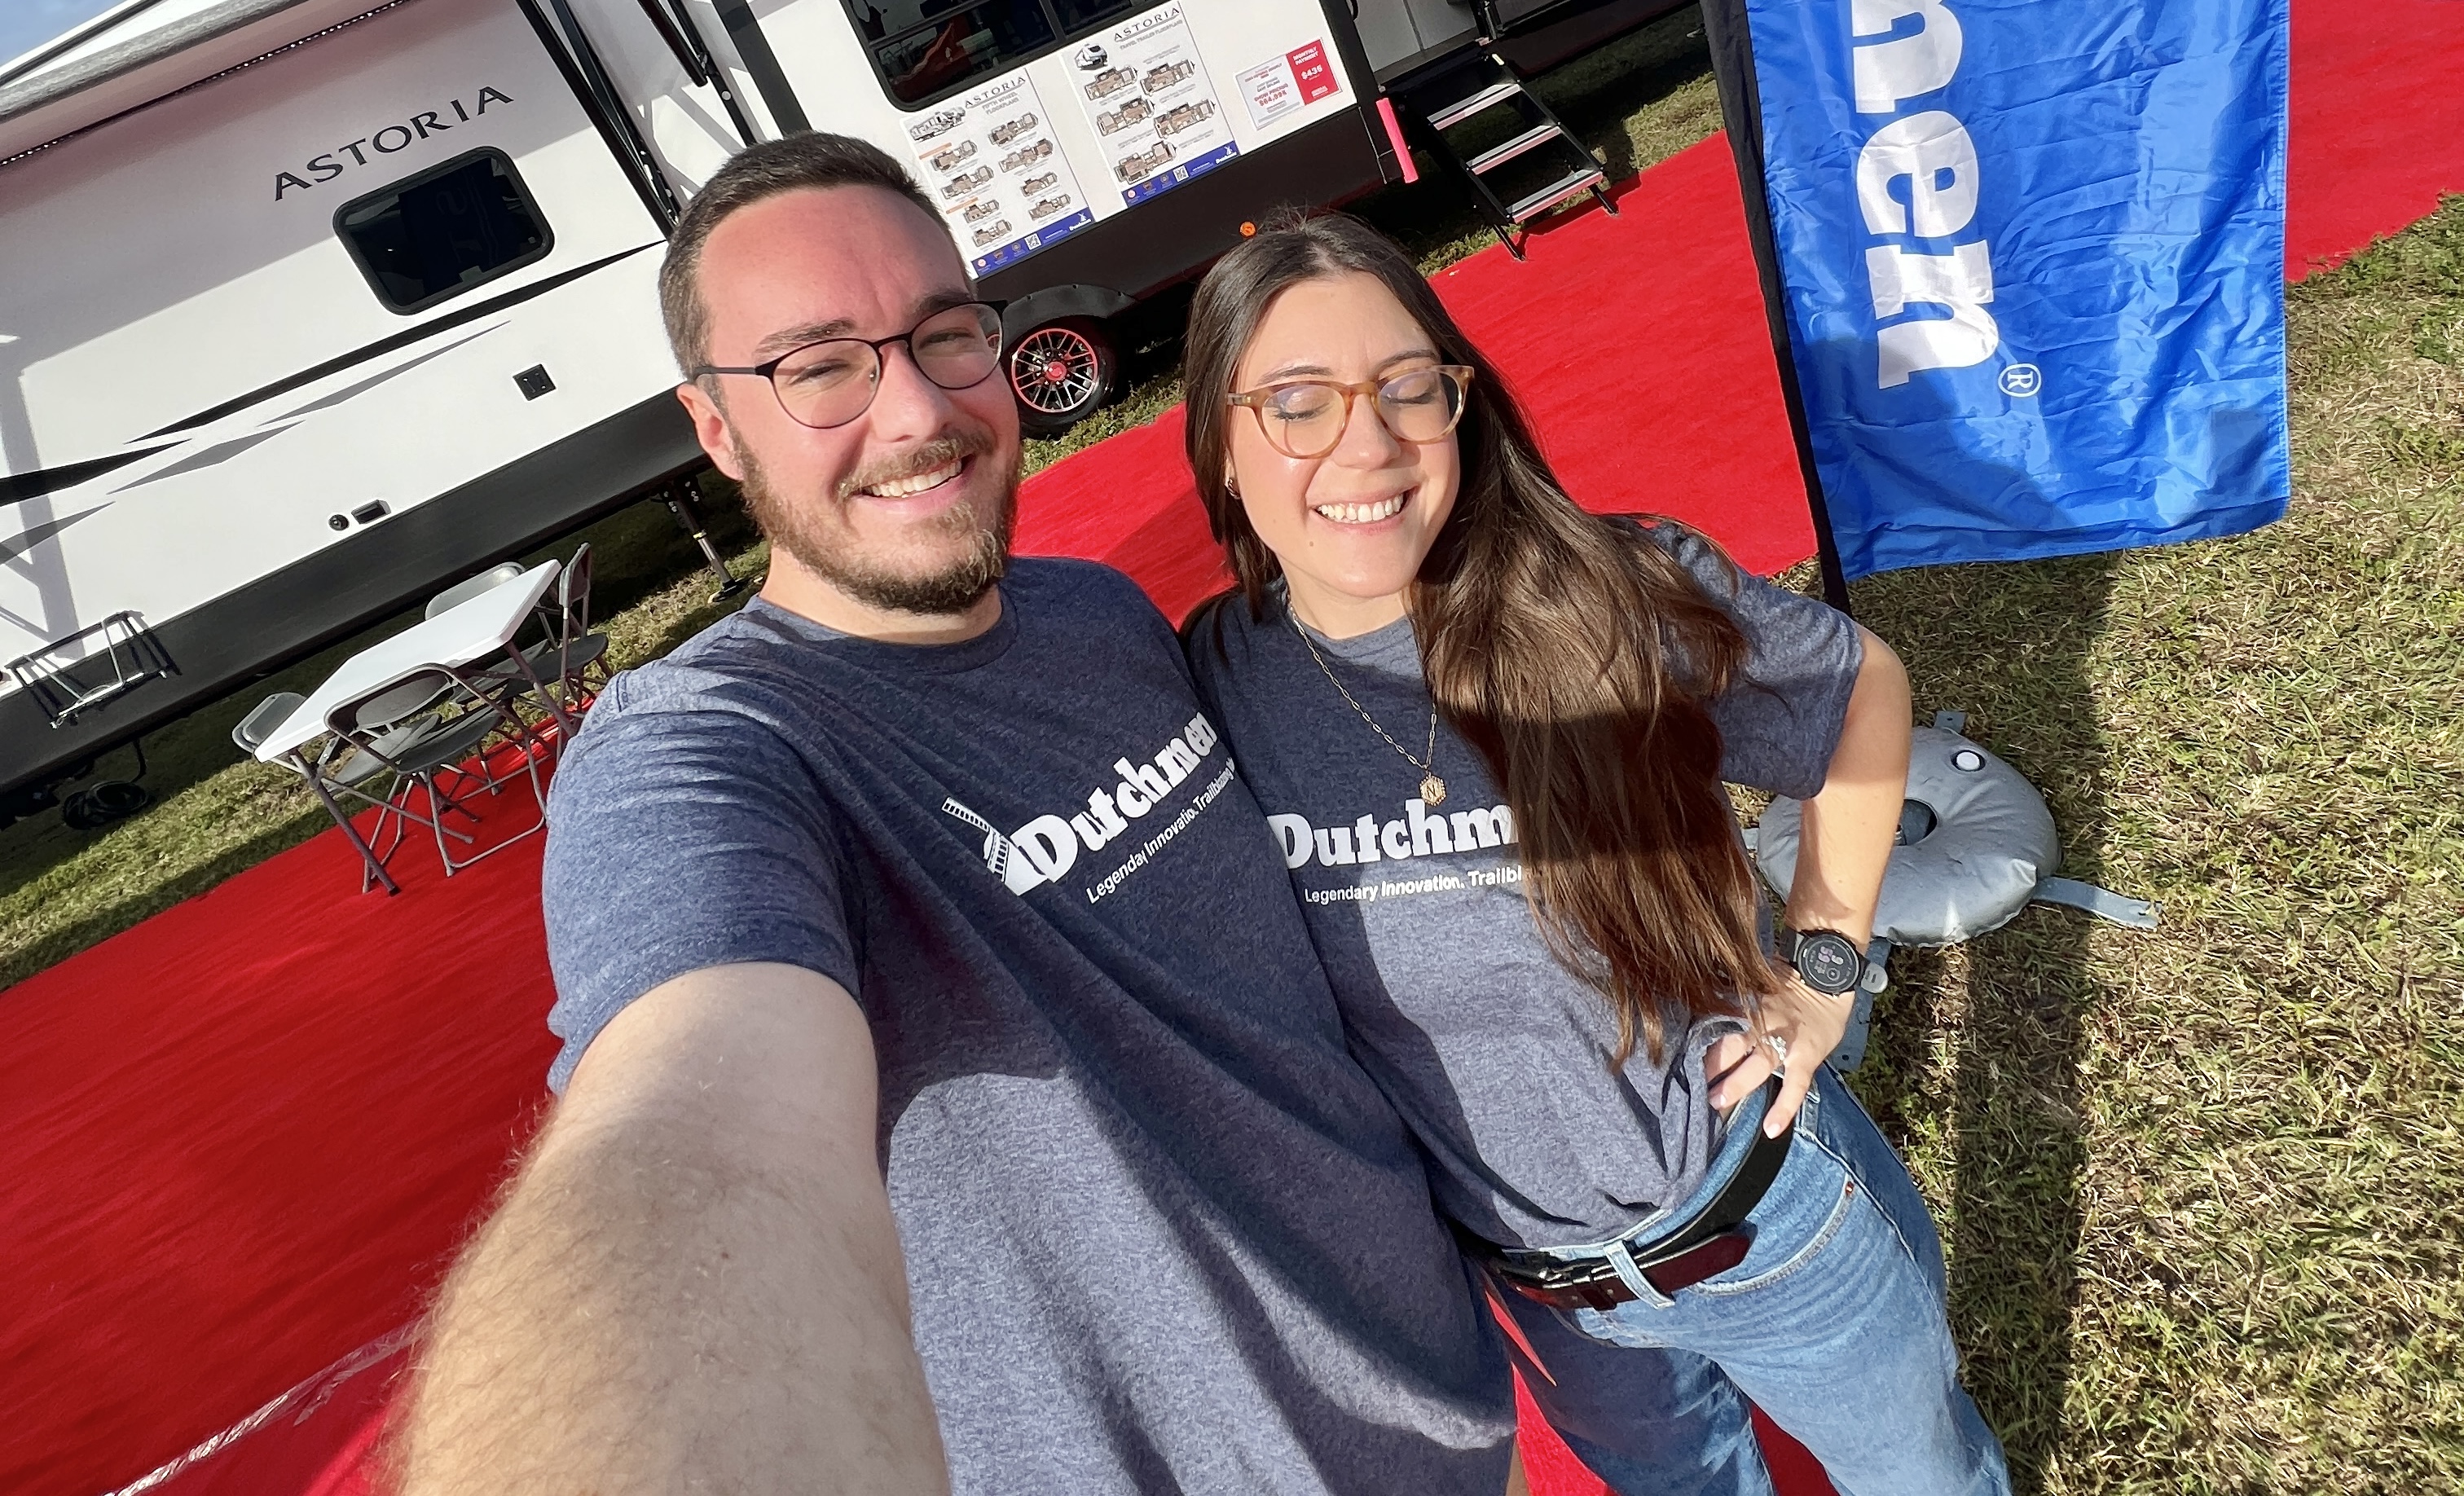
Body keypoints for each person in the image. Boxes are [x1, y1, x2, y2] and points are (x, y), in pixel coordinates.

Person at [390, 137, 1516, 1494]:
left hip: (1450, 1400)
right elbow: (693, 1126)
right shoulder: (707, 751)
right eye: (818, 367)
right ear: (716, 428)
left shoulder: (1099, 614)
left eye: (944, 334)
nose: (917, 410)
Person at [1178, 211, 2011, 1496]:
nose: (1369, 440)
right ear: (1223, 447)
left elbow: (1862, 689)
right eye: (1297, 403)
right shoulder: (1213, 684)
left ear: (1461, 404)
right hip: (1555, 1310)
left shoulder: (1604, 592)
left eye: (1409, 388)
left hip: (1764, 1224)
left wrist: (1827, 968)